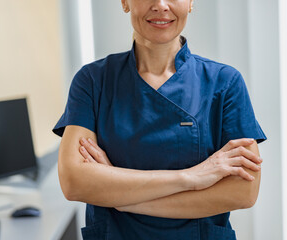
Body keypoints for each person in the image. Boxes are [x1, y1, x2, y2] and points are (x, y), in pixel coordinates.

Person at [52, 0, 267, 239]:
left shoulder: (225, 82)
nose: (161, 5)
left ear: (191, 3)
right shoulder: (93, 81)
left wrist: (124, 201)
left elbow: (243, 191)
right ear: (125, 2)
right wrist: (191, 177)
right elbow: (74, 182)